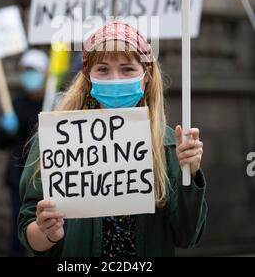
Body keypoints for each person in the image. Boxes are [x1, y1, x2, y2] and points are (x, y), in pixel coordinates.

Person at [18, 22, 207, 258]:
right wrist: (48, 232)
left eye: (127, 69)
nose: (115, 79)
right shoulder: (57, 140)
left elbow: (187, 237)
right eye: (103, 69)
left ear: (146, 75)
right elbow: (29, 232)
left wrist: (189, 172)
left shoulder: (170, 145)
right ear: (88, 77)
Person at [0, 48, 49, 256]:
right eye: (26, 70)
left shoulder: (55, 102)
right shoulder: (13, 105)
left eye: (34, 70)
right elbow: (0, 143)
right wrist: (7, 131)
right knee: (20, 229)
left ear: (45, 73)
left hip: (46, 176)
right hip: (18, 176)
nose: (30, 75)